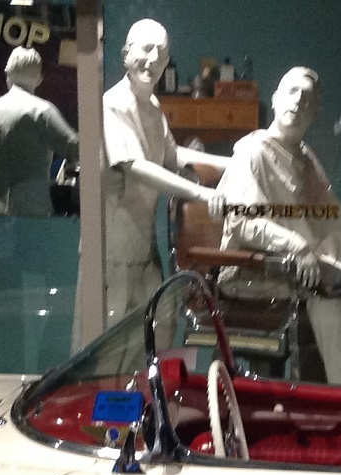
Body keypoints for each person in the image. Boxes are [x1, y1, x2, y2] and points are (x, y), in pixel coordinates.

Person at [217, 66, 341, 385]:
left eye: (307, 99)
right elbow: (243, 223)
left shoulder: (305, 157)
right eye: (292, 92)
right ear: (275, 99)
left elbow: (330, 214)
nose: (298, 101)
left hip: (300, 262)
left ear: (315, 114)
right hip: (256, 267)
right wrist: (296, 246)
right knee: (328, 291)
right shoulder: (253, 152)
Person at [99, 18, 226, 325]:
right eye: (146, 48)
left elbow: (173, 155)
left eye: (162, 52)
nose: (153, 58)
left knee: (159, 326)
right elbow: (136, 166)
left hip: (144, 246)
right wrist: (200, 193)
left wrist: (232, 162)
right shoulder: (113, 104)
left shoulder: (153, 106)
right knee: (110, 336)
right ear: (126, 54)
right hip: (112, 251)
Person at [0, 47, 79, 217]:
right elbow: (73, 148)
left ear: (8, 74)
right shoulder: (42, 111)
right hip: (31, 207)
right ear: (39, 79)